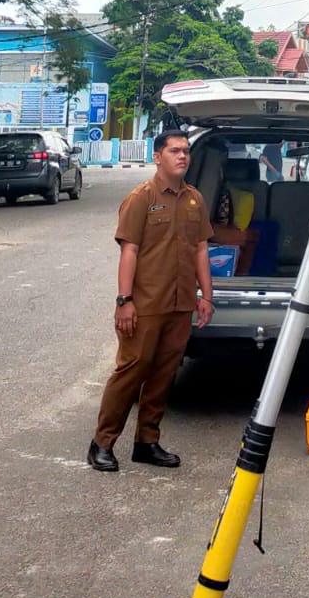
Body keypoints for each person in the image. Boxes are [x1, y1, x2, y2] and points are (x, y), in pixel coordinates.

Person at [87, 129, 214, 472]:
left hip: (181, 303)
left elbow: (201, 248)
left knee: (164, 373)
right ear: (157, 157)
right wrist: (124, 300)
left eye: (186, 151)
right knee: (132, 370)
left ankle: (147, 442)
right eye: (175, 151)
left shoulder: (195, 200)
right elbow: (129, 251)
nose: (183, 156)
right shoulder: (141, 198)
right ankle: (102, 442)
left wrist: (206, 295)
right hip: (145, 304)